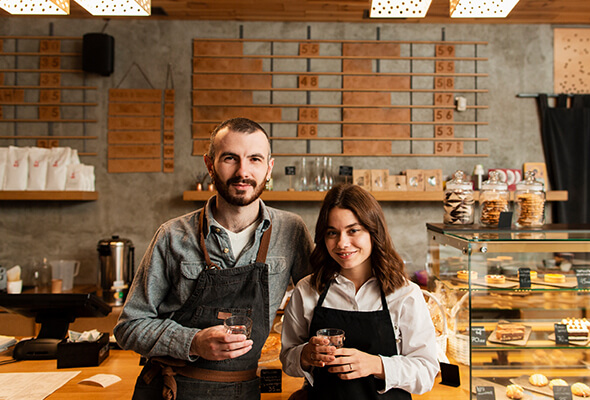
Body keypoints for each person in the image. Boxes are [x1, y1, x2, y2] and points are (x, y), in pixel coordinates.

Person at [114, 117, 312, 400]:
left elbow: (320, 307)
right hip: (173, 390)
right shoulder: (172, 235)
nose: (243, 171)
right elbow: (129, 327)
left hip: (245, 390)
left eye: (254, 159)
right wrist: (192, 342)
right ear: (210, 164)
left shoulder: (291, 232)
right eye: (230, 158)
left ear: (269, 168)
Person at [280, 183, 439, 399]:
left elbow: (427, 371)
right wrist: (305, 355)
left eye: (353, 230)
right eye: (332, 233)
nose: (342, 243)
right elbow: (288, 360)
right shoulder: (307, 290)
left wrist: (376, 364)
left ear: (374, 232)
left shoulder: (405, 294)